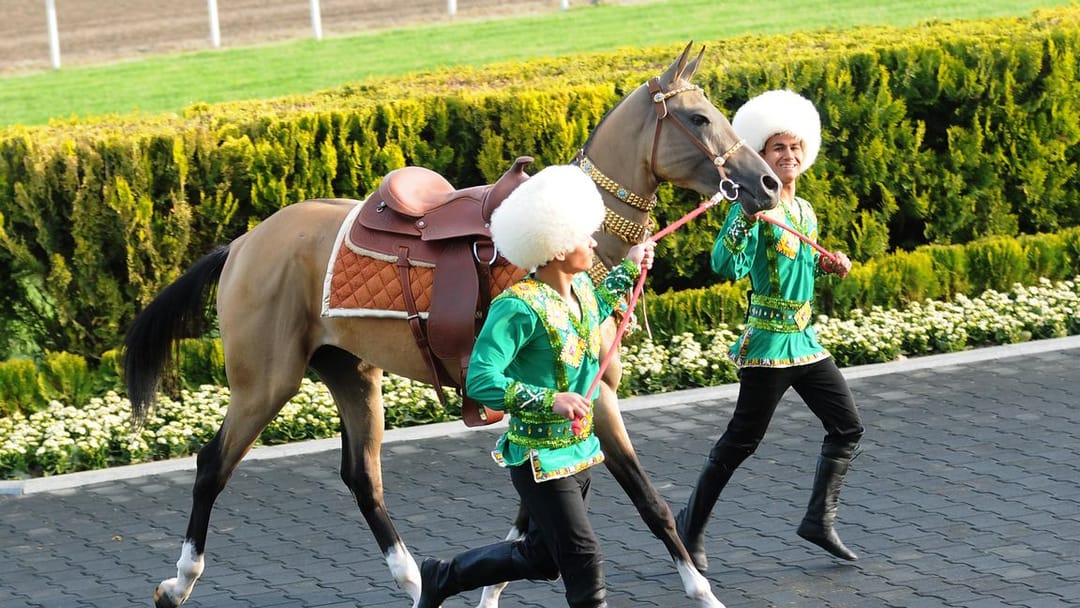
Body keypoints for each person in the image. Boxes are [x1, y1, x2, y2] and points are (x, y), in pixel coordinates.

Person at [415, 164, 655, 608]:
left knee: (544, 558)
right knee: (585, 560)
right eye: (585, 236)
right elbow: (482, 379)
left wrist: (628, 269)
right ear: (559, 246)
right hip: (537, 457)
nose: (593, 242)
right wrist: (551, 399)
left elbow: (591, 313)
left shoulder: (582, 288)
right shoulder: (516, 307)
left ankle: (441, 576)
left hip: (579, 452)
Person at [675, 89, 865, 572]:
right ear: (763, 154)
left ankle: (818, 521)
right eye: (779, 148)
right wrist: (743, 218)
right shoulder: (753, 208)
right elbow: (725, 264)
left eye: (796, 147)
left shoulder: (805, 213)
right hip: (767, 344)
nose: (790, 156)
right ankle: (688, 526)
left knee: (847, 427)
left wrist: (829, 266)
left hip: (804, 341)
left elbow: (799, 268)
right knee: (741, 440)